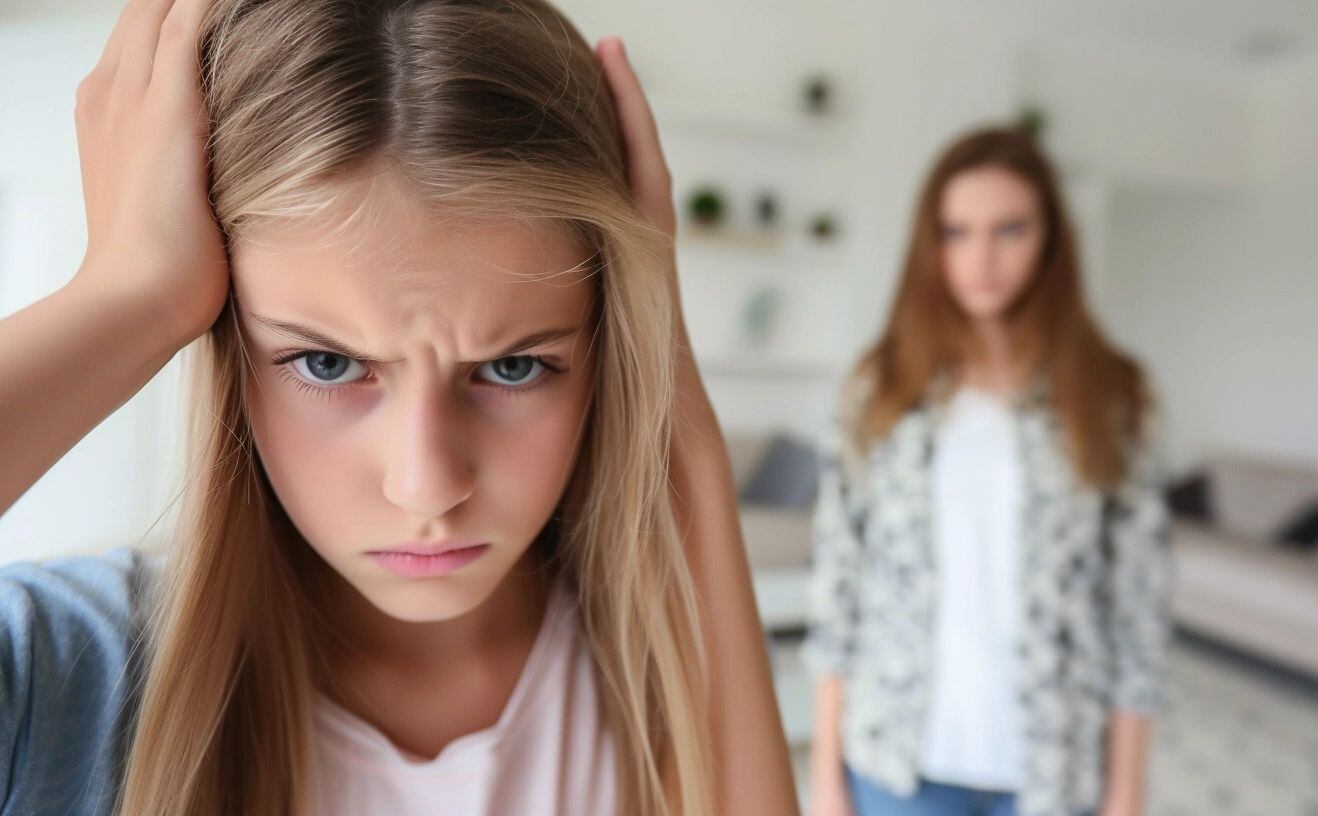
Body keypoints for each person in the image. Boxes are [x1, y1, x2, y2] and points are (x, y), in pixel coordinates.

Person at [0, 0, 798, 813]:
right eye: (327, 361)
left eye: (516, 366)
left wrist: (681, 420)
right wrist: (126, 295)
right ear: (229, 347)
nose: (426, 486)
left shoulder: (646, 680)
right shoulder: (65, 675)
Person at [803, 126, 1173, 816]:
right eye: (956, 232)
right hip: (897, 760)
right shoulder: (877, 389)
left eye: (1009, 230)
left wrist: (1127, 792)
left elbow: (1136, 610)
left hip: (1054, 765)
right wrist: (826, 778)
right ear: (928, 243)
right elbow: (838, 592)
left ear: (1050, 240)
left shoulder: (1115, 395)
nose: (982, 258)